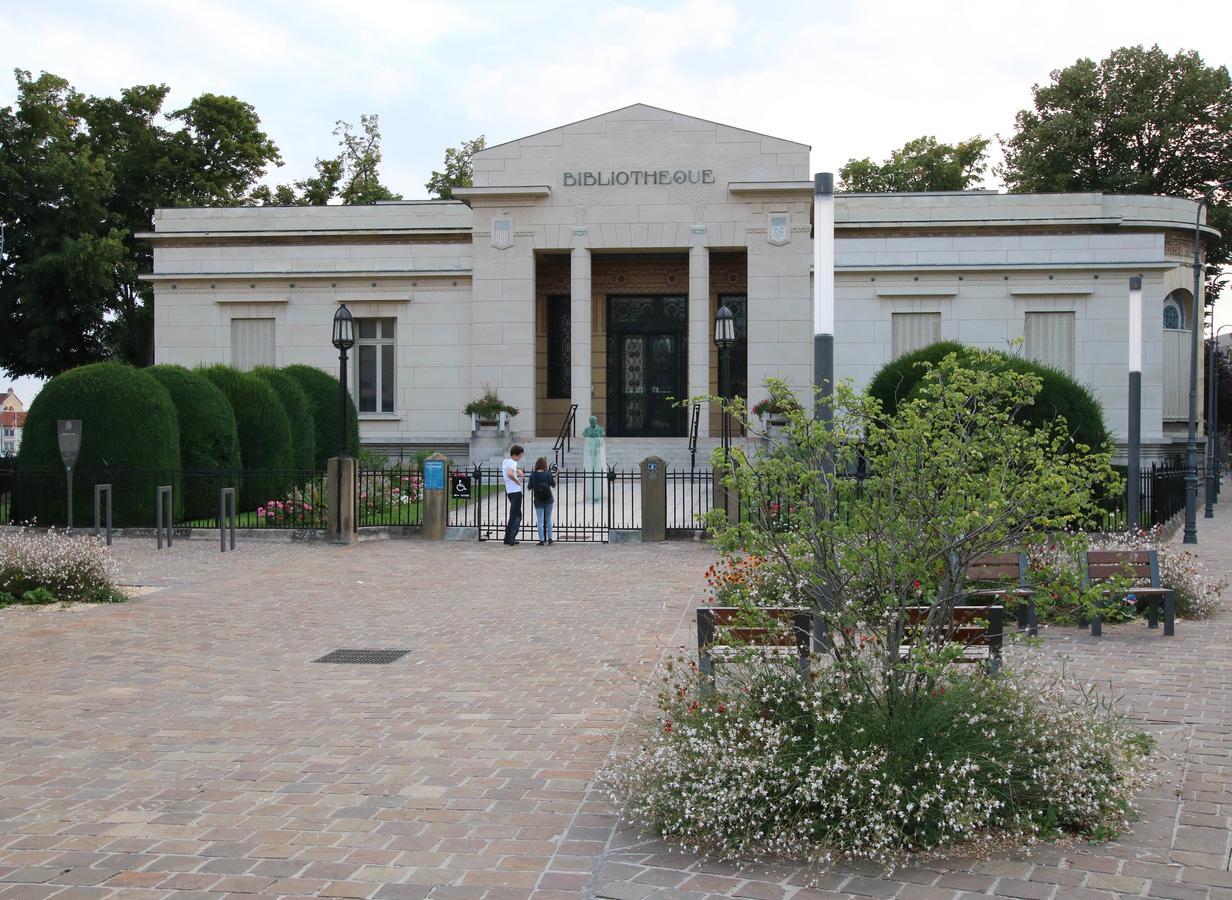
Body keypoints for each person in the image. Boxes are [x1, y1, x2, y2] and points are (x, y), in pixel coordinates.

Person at [527, 457, 557, 546]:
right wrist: (556, 476)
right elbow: (553, 485)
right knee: (548, 519)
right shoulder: (548, 473)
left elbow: (529, 487)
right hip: (548, 499)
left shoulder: (533, 475)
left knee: (540, 520)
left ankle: (542, 540)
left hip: (538, 500)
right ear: (545, 465)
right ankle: (550, 539)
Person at [501, 445, 524, 546]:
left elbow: (510, 471)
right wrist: (517, 481)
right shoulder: (513, 462)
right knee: (516, 516)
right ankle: (510, 538)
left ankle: (508, 537)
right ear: (515, 455)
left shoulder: (505, 461)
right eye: (520, 455)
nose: (520, 458)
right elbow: (510, 473)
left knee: (515, 514)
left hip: (510, 491)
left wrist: (518, 470)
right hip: (516, 492)